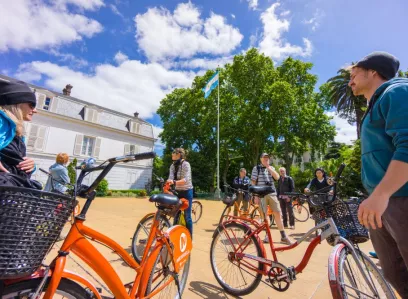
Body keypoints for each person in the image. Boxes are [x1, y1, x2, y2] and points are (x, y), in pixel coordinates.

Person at [348, 51, 408, 297]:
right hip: (381, 205)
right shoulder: (376, 103)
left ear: (373, 71)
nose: (350, 81)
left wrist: (381, 194)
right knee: (394, 272)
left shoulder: (397, 92)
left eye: (353, 74)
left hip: (401, 200)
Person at [0, 78, 38, 188]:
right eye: (31, 105)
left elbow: (14, 160)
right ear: (16, 103)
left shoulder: (16, 132)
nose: (35, 110)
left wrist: (31, 165)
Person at [251, 153, 291, 245]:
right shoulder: (256, 168)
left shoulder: (271, 168)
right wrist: (255, 195)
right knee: (264, 216)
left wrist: (268, 167)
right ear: (260, 159)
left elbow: (277, 177)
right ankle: (267, 236)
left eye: (267, 158)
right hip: (261, 194)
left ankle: (283, 236)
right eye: (264, 158)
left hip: (272, 193)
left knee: (278, 213)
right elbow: (253, 182)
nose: (266, 159)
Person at [167, 148, 194, 238]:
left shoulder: (186, 164)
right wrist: (168, 183)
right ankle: (174, 236)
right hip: (177, 191)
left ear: (179, 154)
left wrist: (174, 182)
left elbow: (186, 180)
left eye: (173, 153)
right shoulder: (172, 166)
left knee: (187, 216)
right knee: (176, 213)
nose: (172, 154)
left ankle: (190, 237)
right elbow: (170, 178)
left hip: (187, 191)